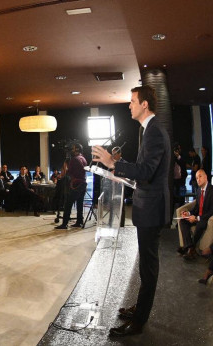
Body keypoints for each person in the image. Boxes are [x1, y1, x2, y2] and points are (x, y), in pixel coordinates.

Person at [91, 85, 171, 337]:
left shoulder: (155, 132)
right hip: (148, 205)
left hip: (152, 209)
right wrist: (120, 169)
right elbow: (143, 170)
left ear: (145, 104)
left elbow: (146, 172)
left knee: (148, 268)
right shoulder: (147, 130)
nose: (129, 105)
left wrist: (113, 163)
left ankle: (138, 322)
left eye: (133, 101)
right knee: (145, 266)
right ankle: (140, 309)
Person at [177, 169, 213, 260]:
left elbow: (211, 211)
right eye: (196, 178)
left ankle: (189, 249)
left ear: (206, 177)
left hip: (206, 218)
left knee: (200, 225)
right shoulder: (198, 191)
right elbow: (196, 208)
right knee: (182, 221)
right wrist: (188, 213)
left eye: (200, 176)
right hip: (198, 216)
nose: (198, 179)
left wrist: (197, 218)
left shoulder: (212, 190)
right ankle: (190, 247)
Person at [55, 143, 88, 229]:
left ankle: (64, 224)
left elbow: (68, 173)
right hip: (83, 184)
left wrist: (65, 167)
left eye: (73, 149)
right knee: (79, 204)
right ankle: (79, 221)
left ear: (77, 149)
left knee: (68, 204)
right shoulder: (83, 158)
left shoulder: (74, 159)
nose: (71, 150)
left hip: (76, 184)